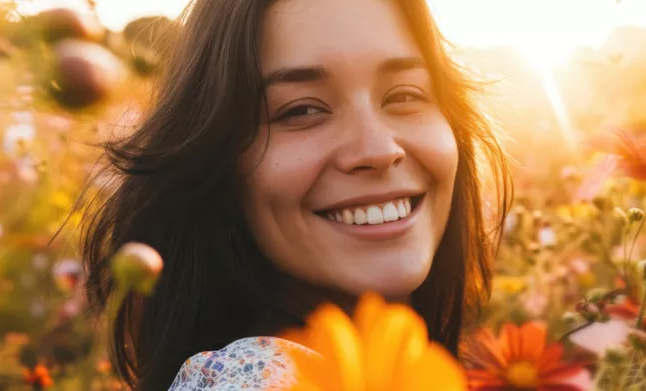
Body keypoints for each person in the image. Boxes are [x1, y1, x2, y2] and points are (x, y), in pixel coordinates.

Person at [79, 0, 511, 389]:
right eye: (301, 109)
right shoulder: (255, 379)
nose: (378, 150)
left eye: (405, 95)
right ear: (217, 166)